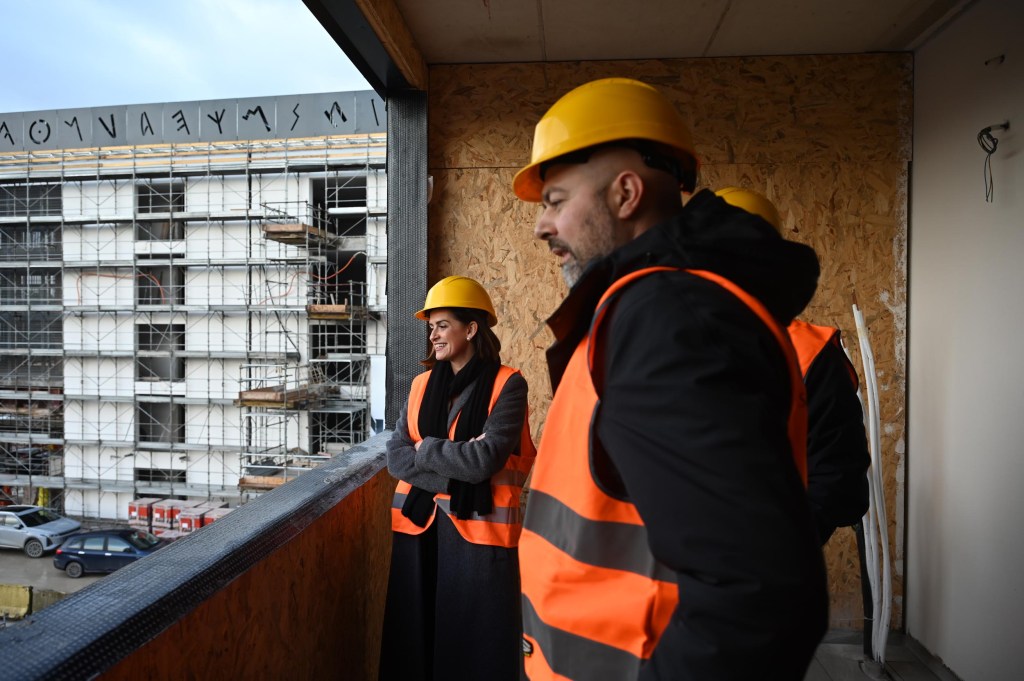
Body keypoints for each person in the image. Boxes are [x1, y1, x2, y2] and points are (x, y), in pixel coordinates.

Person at [512, 77, 828, 679]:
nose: (541, 226)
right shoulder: (659, 308)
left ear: (626, 193)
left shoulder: (662, 319)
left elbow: (758, 596)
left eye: (555, 200)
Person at [379, 275, 536, 681]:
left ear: (471, 328)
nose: (433, 334)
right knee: (413, 647)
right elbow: (396, 458)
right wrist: (459, 472)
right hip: (418, 533)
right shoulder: (419, 386)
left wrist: (427, 450)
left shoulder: (509, 385)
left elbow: (483, 460)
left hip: (479, 540)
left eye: (442, 324)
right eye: (430, 326)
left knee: (476, 655)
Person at [715, 186, 870, 544]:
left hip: (767, 568)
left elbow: (838, 485)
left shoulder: (811, 355)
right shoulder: (669, 342)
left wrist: (776, 548)